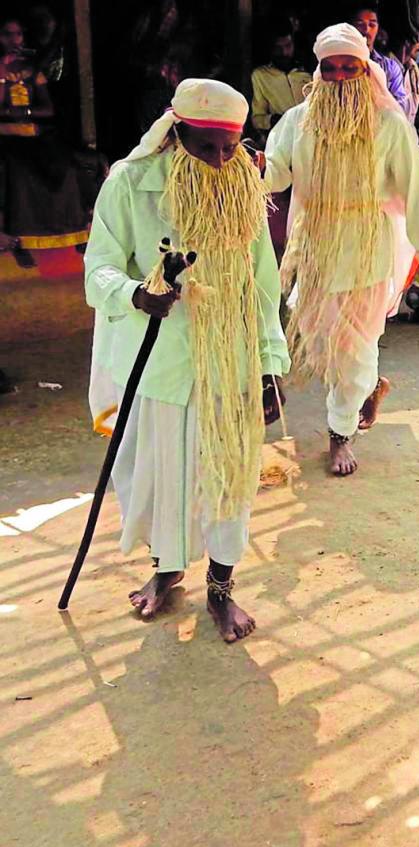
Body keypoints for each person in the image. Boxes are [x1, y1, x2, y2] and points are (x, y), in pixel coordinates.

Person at [84, 79, 288, 643]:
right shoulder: (130, 183)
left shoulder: (245, 186)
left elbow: (262, 286)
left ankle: (221, 589)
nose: (222, 161)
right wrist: (135, 294)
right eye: (205, 147)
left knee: (230, 478)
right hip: (164, 365)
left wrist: (270, 365)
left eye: (231, 148)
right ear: (176, 135)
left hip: (232, 362)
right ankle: (166, 569)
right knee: (162, 479)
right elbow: (98, 267)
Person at [264, 24, 419, 476]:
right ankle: (368, 389)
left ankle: (340, 434)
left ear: (365, 71)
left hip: (368, 249)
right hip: (317, 248)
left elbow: (417, 192)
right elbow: (277, 178)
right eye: (331, 68)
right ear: (319, 71)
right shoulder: (296, 122)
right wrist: (254, 169)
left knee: (356, 348)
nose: (340, 76)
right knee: (321, 340)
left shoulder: (389, 124)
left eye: (350, 67)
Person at [0, 14, 90, 267]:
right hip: (6, 138)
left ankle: (75, 232)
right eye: (7, 34)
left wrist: (26, 113)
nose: (13, 39)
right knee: (20, 174)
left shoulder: (31, 68)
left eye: (17, 34)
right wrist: (4, 73)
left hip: (33, 135)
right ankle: (20, 242)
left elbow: (47, 109)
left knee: (66, 168)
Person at [250, 26, 312, 139]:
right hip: (284, 137)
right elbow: (257, 119)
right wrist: (274, 120)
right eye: (277, 48)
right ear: (270, 48)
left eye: (288, 46)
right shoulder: (260, 75)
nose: (284, 52)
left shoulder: (308, 71)